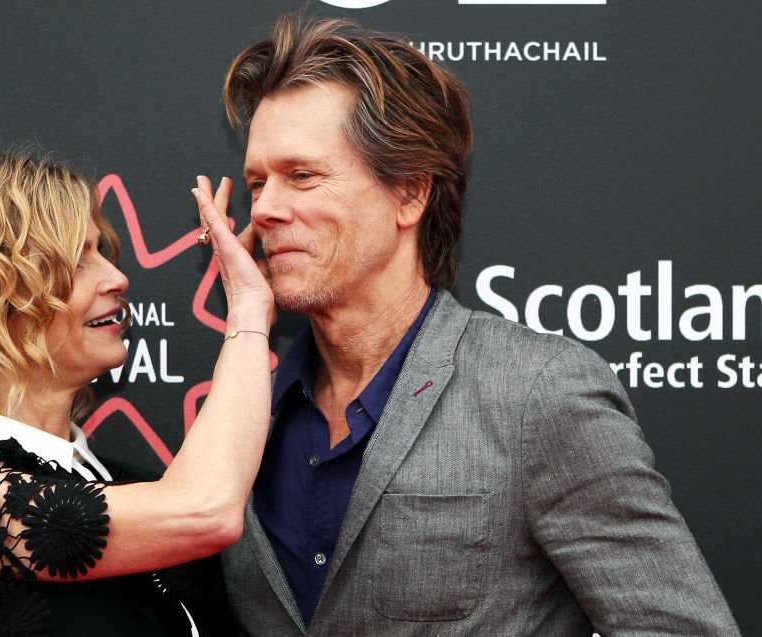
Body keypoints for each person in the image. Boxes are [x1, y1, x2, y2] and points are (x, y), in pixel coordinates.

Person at [217, 14, 740, 636]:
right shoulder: (246, 404)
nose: (268, 208)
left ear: (410, 193)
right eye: (257, 183)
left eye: (302, 175)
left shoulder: (537, 393)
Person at [0, 143, 274, 636]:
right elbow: (206, 512)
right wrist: (249, 314)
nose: (117, 277)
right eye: (77, 260)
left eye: (101, 252)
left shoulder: (134, 482)